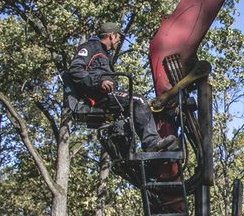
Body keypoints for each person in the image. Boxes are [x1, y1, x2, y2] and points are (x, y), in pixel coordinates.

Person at [65, 21, 179, 152]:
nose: (119, 40)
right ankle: (151, 142)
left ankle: (130, 148)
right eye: (119, 37)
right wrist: (98, 83)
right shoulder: (90, 48)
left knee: (141, 108)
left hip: (103, 96)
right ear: (112, 36)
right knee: (138, 100)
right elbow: (75, 70)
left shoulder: (103, 53)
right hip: (95, 98)